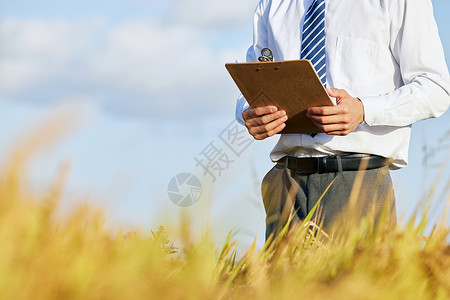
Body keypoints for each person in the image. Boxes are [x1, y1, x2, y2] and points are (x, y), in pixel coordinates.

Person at [235, 0, 450, 239]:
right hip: (285, 185)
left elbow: (436, 88)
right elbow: (255, 78)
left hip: (359, 182)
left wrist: (364, 109)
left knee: (358, 277)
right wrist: (250, 112)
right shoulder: (272, 4)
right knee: (277, 277)